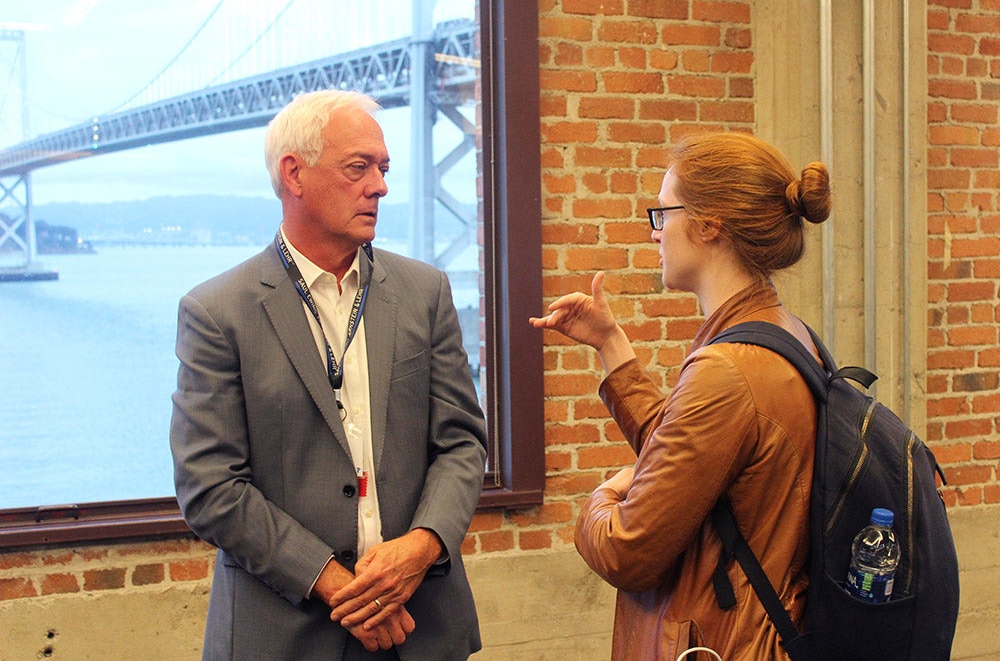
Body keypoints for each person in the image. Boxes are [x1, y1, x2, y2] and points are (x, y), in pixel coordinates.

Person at [170, 89, 488, 661]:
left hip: (423, 629)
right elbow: (211, 487)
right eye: (358, 167)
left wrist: (419, 548)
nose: (381, 185)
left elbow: (462, 443)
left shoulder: (425, 293)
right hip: (286, 634)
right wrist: (347, 591)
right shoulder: (217, 313)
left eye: (383, 168)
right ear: (294, 173)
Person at [530, 132, 832, 661]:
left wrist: (605, 496)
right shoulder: (782, 330)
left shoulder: (728, 371)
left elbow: (629, 551)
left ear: (710, 224)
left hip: (726, 642)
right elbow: (691, 460)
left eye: (663, 213)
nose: (655, 233)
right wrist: (610, 343)